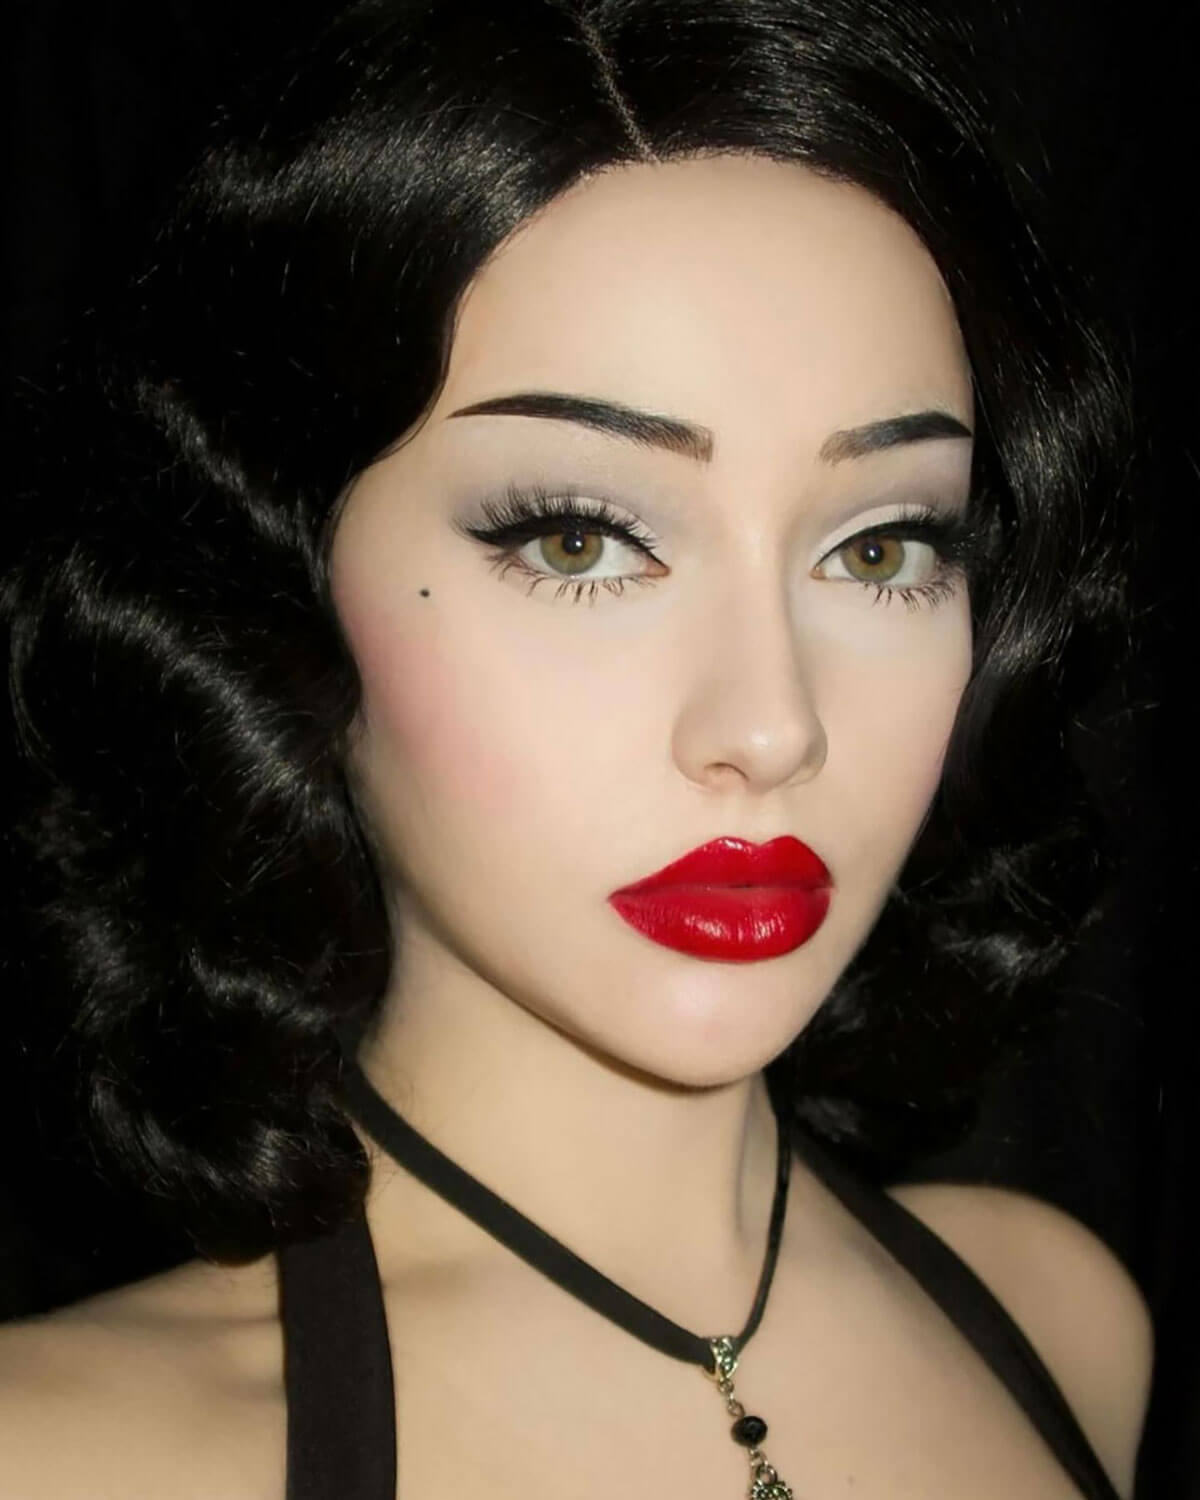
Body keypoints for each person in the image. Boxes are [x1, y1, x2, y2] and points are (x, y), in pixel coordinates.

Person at [0, 1, 1153, 1496]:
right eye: (578, 536)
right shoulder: (64, 1457)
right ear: (276, 581)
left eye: (882, 550)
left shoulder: (1068, 1324)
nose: (769, 726)